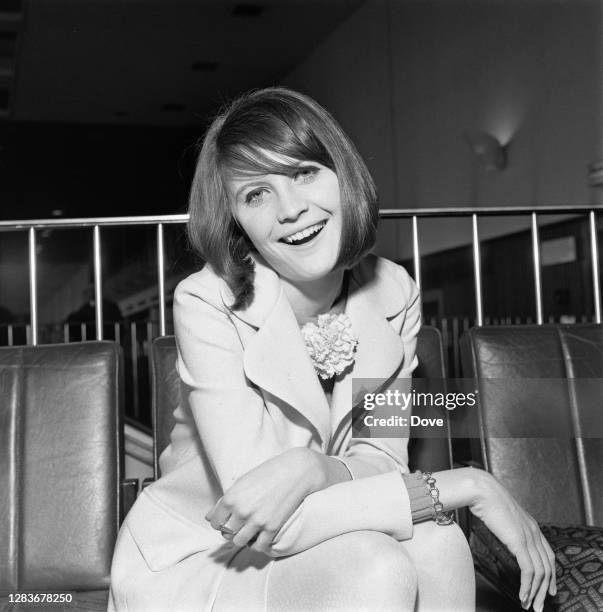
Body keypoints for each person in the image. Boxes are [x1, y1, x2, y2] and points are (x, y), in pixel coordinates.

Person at [108, 87, 555, 612]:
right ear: (235, 222)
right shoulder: (207, 301)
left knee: (440, 544)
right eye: (256, 194)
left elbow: (381, 458)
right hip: (205, 560)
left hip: (329, 535)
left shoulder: (394, 293)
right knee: (377, 563)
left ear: (342, 174)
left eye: (304, 173)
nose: (292, 209)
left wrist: (311, 469)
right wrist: (470, 485)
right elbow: (267, 520)